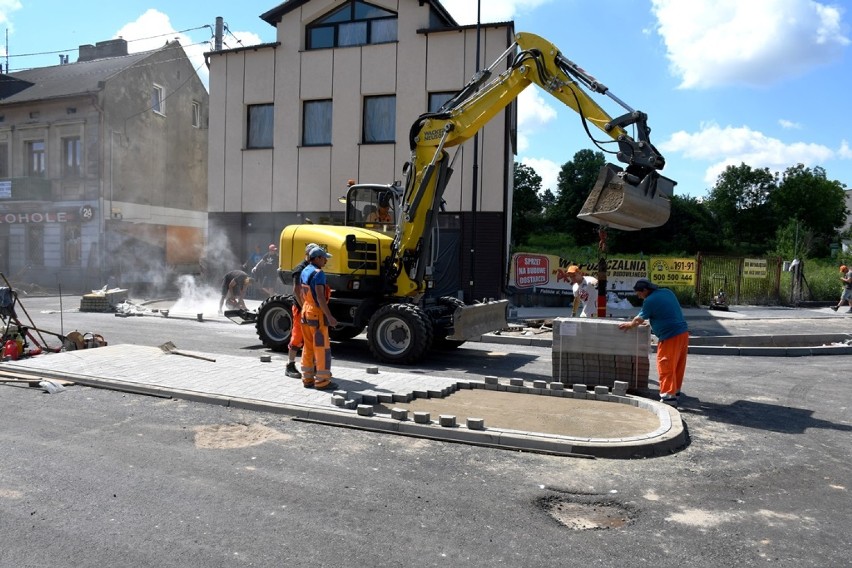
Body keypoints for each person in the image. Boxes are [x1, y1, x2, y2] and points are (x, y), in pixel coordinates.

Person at [618, 278, 689, 406]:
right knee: (678, 365)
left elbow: (638, 319)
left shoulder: (650, 300)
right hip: (682, 333)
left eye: (639, 293)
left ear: (645, 290)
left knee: (665, 364)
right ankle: (675, 392)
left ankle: (668, 398)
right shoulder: (667, 292)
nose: (638, 296)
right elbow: (665, 311)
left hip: (670, 336)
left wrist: (629, 325)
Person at [299, 246, 338, 390]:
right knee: (322, 349)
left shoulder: (305, 270)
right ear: (317, 258)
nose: (326, 260)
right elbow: (321, 298)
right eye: (324, 258)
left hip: (306, 312)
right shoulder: (319, 273)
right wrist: (330, 316)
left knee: (308, 347)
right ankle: (322, 381)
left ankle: (307, 378)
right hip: (316, 314)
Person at [284, 242, 319, 379]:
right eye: (312, 254)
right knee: (298, 337)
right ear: (307, 254)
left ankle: (312, 365)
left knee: (312, 338)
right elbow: (296, 290)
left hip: (311, 309)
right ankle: (290, 365)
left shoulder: (314, 267)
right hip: (300, 308)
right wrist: (304, 308)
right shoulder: (300, 269)